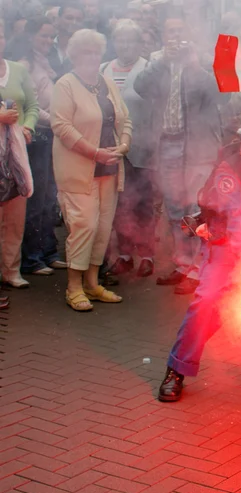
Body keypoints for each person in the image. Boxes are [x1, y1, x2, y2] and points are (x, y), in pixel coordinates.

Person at [158, 114, 241, 402]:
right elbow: (237, 223)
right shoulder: (226, 173)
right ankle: (177, 367)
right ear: (240, 148)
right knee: (207, 300)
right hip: (227, 243)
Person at [134, 17, 224, 295]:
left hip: (198, 148)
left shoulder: (203, 61)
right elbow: (140, 87)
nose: (176, 37)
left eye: (180, 31)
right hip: (167, 146)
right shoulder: (156, 62)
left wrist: (194, 65)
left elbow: (218, 95)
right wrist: (162, 62)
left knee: (196, 211)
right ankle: (183, 265)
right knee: (174, 210)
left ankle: (200, 270)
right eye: (171, 31)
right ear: (164, 36)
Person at [51, 29, 132, 312]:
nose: (92, 57)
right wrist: (94, 152)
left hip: (109, 168)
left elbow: (124, 119)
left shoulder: (106, 83)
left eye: (96, 52)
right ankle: (73, 287)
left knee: (102, 227)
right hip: (78, 171)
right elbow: (61, 127)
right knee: (83, 226)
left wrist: (123, 145)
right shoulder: (65, 85)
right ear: (74, 56)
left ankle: (93, 283)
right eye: (86, 52)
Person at [11, 16, 65, 278]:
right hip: (36, 138)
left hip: (51, 136)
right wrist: (58, 120)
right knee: (36, 199)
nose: (48, 41)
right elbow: (30, 105)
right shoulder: (24, 65)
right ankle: (32, 258)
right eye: (44, 36)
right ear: (31, 36)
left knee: (49, 198)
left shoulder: (47, 61)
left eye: (51, 36)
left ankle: (47, 252)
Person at [103, 19, 157, 279]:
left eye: (130, 40)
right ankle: (124, 254)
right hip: (111, 149)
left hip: (143, 148)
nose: (125, 45)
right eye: (120, 39)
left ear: (139, 43)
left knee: (144, 204)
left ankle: (147, 254)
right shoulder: (104, 69)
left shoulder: (149, 69)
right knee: (121, 204)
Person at [0, 20, 39, 289]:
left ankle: (11, 271)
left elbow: (34, 106)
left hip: (16, 156)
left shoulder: (18, 70)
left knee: (14, 215)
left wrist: (28, 125)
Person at [48, 2, 83, 78]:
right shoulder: (47, 45)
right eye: (69, 18)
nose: (74, 22)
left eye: (78, 19)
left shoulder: (87, 50)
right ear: (58, 19)